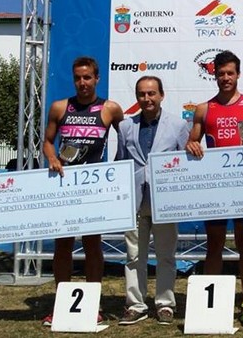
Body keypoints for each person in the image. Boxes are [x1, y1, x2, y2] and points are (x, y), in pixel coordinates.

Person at [185, 50, 243, 327]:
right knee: (214, 246)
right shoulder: (204, 109)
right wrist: (192, 145)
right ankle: (212, 304)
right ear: (214, 74)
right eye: (220, 73)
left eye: (230, 73)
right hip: (217, 189)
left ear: (238, 74)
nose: (225, 78)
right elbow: (192, 142)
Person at [41, 56, 124, 326]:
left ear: (97, 78)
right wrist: (52, 158)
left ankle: (93, 303)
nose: (82, 83)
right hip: (65, 185)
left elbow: (127, 139)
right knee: (62, 245)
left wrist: (116, 174)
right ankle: (62, 303)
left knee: (92, 245)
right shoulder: (59, 107)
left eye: (87, 77)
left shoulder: (110, 109)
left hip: (93, 187)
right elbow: (47, 142)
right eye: (77, 77)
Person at [115, 76, 189, 326]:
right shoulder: (126, 127)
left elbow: (184, 163)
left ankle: (165, 304)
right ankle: (135, 304)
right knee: (134, 256)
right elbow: (121, 162)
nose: (146, 99)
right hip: (134, 201)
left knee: (166, 256)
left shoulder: (178, 125)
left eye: (151, 94)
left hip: (165, 201)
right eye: (141, 94)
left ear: (161, 95)